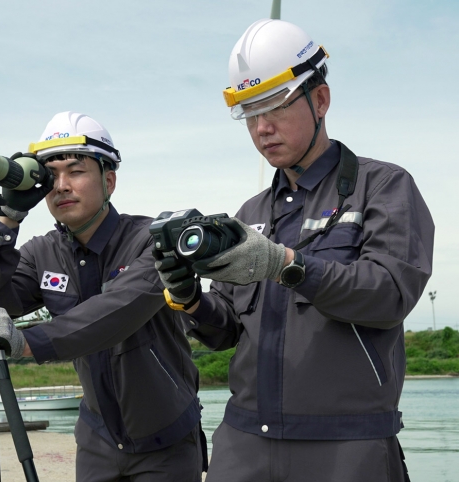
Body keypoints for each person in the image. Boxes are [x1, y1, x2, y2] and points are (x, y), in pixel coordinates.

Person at [155, 19, 434, 482]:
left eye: (274, 107)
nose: (262, 128)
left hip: (348, 444)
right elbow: (225, 331)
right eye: (249, 113)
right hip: (243, 443)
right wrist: (190, 301)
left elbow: (389, 294)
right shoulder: (250, 212)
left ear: (320, 100)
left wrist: (287, 265)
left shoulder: (382, 186)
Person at [0, 112, 205, 481]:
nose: (61, 186)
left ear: (109, 180)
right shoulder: (41, 252)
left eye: (76, 171)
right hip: (98, 440)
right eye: (51, 175)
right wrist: (7, 222)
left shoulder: (151, 241)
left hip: (166, 440)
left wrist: (29, 341)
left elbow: (115, 313)